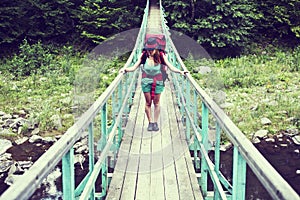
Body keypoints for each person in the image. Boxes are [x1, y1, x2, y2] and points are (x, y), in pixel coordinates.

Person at [120, 38, 188, 131]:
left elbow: (170, 66)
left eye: (152, 50)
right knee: (148, 103)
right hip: (146, 81)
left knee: (156, 103)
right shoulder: (144, 55)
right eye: (148, 49)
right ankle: (150, 122)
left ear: (156, 48)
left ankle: (155, 122)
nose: (150, 51)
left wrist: (181, 72)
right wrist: (125, 69)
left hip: (158, 81)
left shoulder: (161, 55)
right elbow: (134, 66)